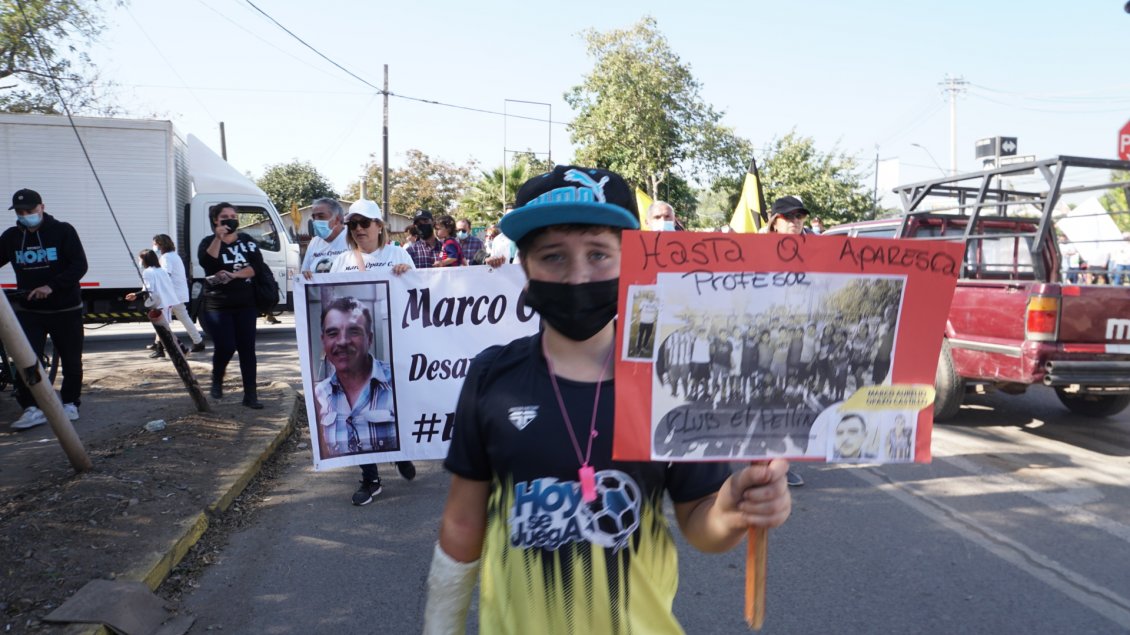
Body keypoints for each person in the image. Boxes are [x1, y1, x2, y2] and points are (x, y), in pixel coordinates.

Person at [424, 165, 791, 634]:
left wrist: (734, 509)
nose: (578, 277)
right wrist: (440, 626)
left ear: (632, 261)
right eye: (553, 257)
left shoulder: (672, 380)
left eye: (599, 254)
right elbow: (461, 523)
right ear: (525, 267)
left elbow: (702, 524)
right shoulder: (493, 377)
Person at [324, 199, 418, 504]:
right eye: (353, 224)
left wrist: (408, 274)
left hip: (397, 342)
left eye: (365, 223)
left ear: (380, 225)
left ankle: (398, 451)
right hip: (356, 347)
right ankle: (370, 476)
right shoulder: (342, 260)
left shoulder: (398, 254)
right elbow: (329, 298)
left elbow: (418, 295)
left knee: (393, 401)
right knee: (356, 405)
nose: (359, 229)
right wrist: (311, 282)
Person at [1, 188, 88, 430]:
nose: (25, 214)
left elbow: (79, 265)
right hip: (30, 311)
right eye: (20, 211)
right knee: (27, 360)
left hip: (65, 309)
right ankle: (32, 407)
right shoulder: (11, 237)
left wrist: (51, 286)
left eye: (30, 210)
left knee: (72, 360)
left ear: (42, 207)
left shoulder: (63, 231)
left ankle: (70, 403)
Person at [197, 202, 264, 409]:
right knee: (226, 345)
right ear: (216, 220)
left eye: (234, 215)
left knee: (247, 350)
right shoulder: (208, 241)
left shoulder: (247, 241)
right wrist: (219, 238)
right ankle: (217, 378)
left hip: (245, 304)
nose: (231, 219)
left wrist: (234, 274)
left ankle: (250, 396)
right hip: (218, 304)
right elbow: (208, 263)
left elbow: (257, 267)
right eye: (225, 216)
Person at [766, 196, 813, 487]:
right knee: (767, 394)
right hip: (768, 334)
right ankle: (762, 459)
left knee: (791, 394)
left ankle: (782, 461)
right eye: (788, 216)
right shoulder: (754, 248)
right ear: (775, 220)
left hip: (798, 334)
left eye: (800, 216)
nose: (795, 220)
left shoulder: (817, 248)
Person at [125, 249, 191, 358]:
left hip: (159, 303)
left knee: (164, 329)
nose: (139, 261)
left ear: (144, 260)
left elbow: (148, 288)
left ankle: (182, 349)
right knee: (161, 328)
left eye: (140, 259)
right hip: (168, 301)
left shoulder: (148, 272)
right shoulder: (161, 270)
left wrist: (135, 294)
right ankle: (160, 349)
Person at [151, 234, 204, 355]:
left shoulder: (166, 258)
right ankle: (198, 341)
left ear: (160, 244)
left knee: (162, 320)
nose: (154, 246)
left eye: (155, 243)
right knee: (181, 318)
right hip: (177, 293)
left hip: (171, 295)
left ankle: (160, 348)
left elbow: (166, 275)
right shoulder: (173, 255)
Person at [301, 197, 349, 277]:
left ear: (337, 219)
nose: (316, 221)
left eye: (321, 216)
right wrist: (306, 275)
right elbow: (304, 272)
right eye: (314, 217)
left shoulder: (352, 238)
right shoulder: (315, 242)